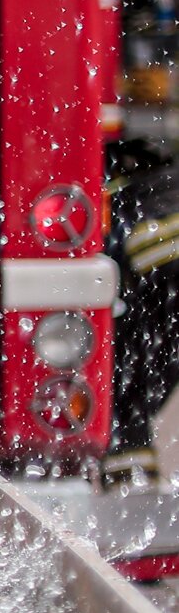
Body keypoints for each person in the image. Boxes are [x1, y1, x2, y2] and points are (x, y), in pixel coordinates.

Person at [108, 138, 179, 484]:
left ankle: (129, 474)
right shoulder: (170, 179)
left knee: (130, 372)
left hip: (157, 261)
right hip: (162, 264)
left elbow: (113, 261)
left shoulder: (119, 194)